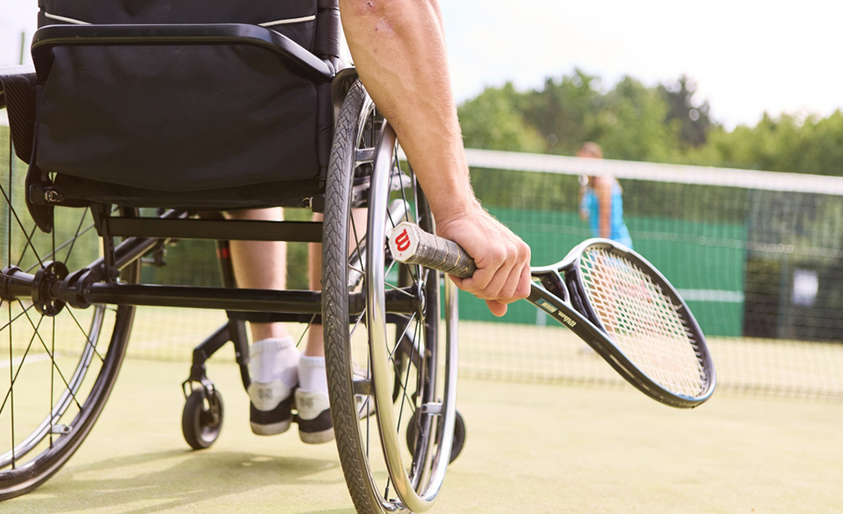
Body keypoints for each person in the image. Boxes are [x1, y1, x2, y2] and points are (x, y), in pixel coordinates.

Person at [229, 0, 533, 444]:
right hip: (281, 112)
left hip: (130, 124)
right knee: (347, 144)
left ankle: (269, 359)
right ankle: (321, 367)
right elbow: (380, 8)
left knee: (238, 154)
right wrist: (457, 207)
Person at [576, 142, 633, 248]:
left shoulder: (604, 183)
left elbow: (605, 220)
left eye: (586, 161)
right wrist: (583, 187)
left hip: (614, 245)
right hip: (602, 242)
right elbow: (583, 215)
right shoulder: (589, 186)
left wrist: (601, 250)